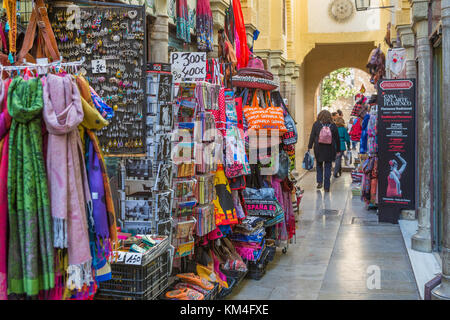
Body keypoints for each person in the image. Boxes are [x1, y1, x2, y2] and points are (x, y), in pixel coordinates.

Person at [308, 110, 340, 192]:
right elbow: (337, 138)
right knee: (328, 166)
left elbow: (312, 135)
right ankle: (327, 186)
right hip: (330, 148)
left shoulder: (316, 124)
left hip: (318, 148)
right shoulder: (333, 125)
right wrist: (338, 150)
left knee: (319, 165)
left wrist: (309, 146)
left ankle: (319, 182)